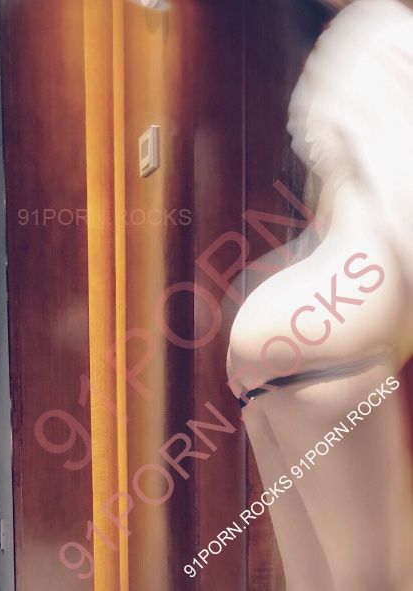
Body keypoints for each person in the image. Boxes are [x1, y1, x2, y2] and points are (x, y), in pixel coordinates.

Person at [227, 0, 413, 588]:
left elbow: (337, 213)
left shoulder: (348, 46)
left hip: (280, 328)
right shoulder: (393, 31)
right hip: (337, 331)